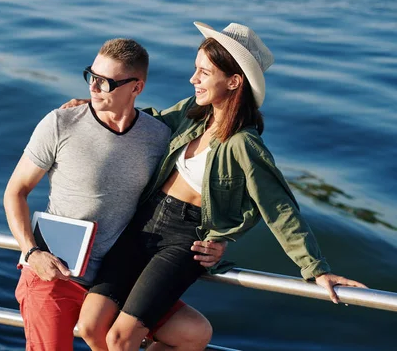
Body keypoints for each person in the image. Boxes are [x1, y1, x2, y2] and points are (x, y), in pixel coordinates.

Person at [68, 22, 368, 351]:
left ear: (233, 81)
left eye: (204, 73)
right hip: (143, 224)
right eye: (196, 70)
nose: (193, 79)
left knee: (120, 338)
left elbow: (278, 208)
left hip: (185, 241)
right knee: (90, 326)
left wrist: (316, 269)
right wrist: (97, 104)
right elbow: (146, 123)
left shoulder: (243, 144)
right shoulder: (191, 113)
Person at [3, 38, 227, 351]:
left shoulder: (159, 136)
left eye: (105, 82)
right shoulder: (60, 123)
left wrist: (218, 241)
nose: (94, 87)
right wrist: (31, 252)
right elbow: (15, 192)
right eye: (91, 76)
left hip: (120, 278)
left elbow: (190, 192)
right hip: (53, 274)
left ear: (137, 88)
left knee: (193, 334)